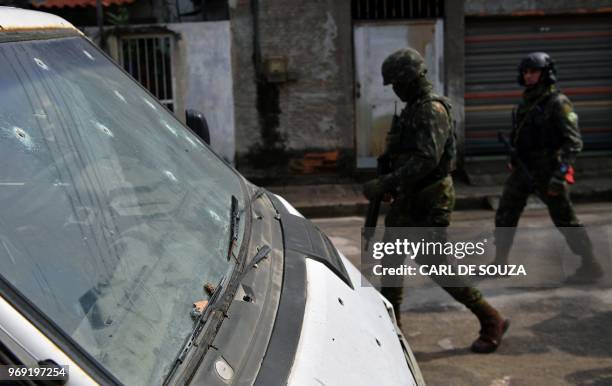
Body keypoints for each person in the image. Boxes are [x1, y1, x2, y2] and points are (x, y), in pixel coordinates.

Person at [363, 48, 509, 354]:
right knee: (391, 265)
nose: (395, 90)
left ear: (409, 78)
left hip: (430, 200)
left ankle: (491, 318)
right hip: (409, 197)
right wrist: (393, 182)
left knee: (437, 266)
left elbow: (427, 159)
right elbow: (404, 156)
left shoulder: (431, 109)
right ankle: (393, 331)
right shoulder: (413, 108)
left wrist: (387, 182)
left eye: (396, 83)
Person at [493, 52, 603, 284]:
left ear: (546, 73)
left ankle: (590, 265)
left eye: (533, 71)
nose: (528, 75)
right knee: (505, 213)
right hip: (523, 169)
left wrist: (560, 174)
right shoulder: (525, 102)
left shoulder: (558, 103)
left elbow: (574, 142)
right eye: (526, 71)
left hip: (549, 170)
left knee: (565, 220)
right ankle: (500, 263)